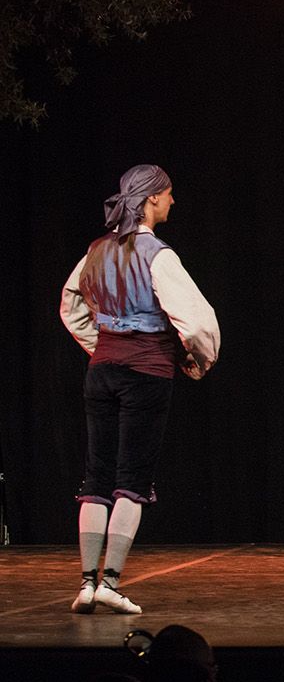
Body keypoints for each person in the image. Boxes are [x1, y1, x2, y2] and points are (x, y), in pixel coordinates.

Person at [59, 164, 221, 616]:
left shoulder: (95, 250)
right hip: (145, 374)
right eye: (168, 195)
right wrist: (195, 360)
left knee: (96, 477)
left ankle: (88, 584)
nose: (172, 202)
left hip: (102, 371)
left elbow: (71, 305)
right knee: (131, 479)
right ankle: (110, 581)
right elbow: (200, 320)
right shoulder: (157, 254)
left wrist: (101, 343)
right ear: (151, 200)